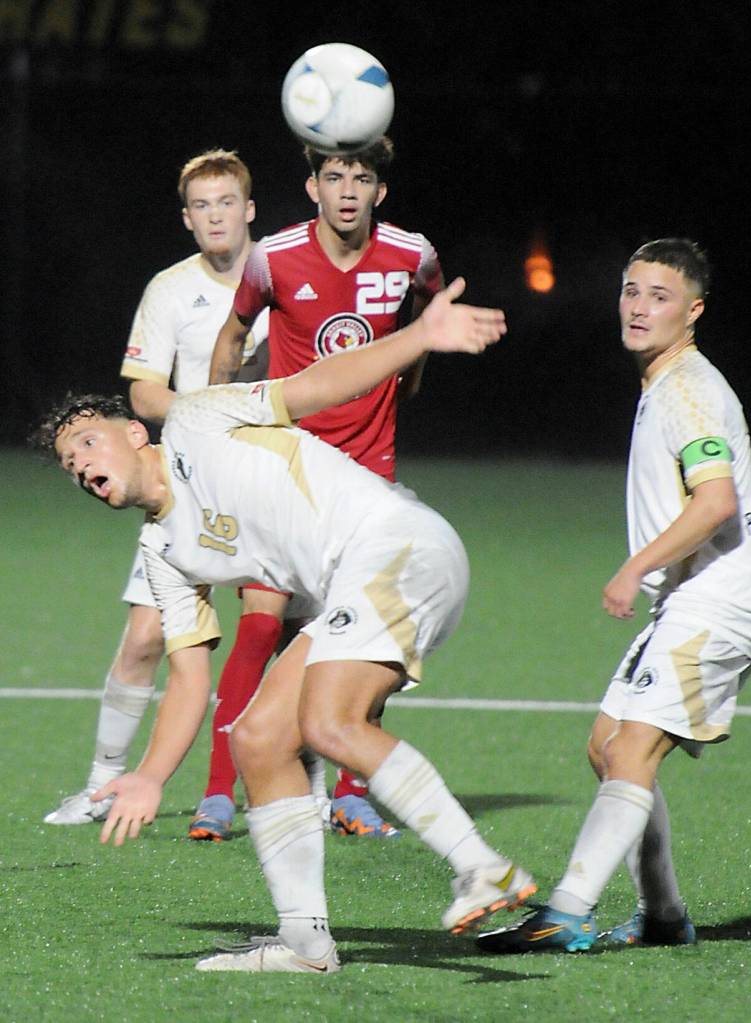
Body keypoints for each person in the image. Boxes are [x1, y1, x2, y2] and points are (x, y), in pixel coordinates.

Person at [36, 278, 537, 975]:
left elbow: (314, 385)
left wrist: (417, 337)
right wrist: (149, 776)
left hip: (398, 542)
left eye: (88, 444)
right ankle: (305, 943)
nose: (83, 465)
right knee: (259, 736)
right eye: (70, 465)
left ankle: (482, 866)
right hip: (359, 580)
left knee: (330, 723)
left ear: (133, 432)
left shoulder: (197, 419)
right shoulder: (162, 551)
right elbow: (187, 681)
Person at [476, 238, 751, 955]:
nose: (640, 307)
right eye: (631, 290)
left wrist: (632, 567)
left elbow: (714, 503)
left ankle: (567, 910)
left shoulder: (689, 391)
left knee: (634, 746)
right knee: (608, 745)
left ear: (694, 310)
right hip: (694, 595)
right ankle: (663, 914)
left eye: (660, 296)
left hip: (722, 596)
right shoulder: (664, 381)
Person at [197, 134, 444, 841]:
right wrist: (219, 424)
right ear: (312, 187)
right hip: (287, 472)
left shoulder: (410, 254)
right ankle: (221, 788)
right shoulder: (273, 257)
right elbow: (233, 332)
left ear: (379, 192)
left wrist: (410, 373)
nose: (346, 191)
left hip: (368, 483)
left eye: (360, 179)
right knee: (261, 623)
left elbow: (428, 319)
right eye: (334, 177)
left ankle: (351, 791)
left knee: (357, 637)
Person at [42, 149, 277, 832]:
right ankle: (102, 781)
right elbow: (142, 390)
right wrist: (203, 413)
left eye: (225, 202)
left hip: (269, 477)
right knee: (147, 635)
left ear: (249, 209)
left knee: (282, 629)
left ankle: (308, 788)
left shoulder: (285, 274)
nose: (215, 215)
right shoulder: (170, 289)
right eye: (201, 206)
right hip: (186, 478)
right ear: (187, 218)